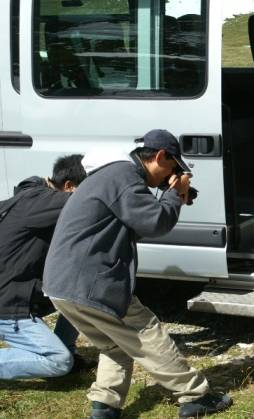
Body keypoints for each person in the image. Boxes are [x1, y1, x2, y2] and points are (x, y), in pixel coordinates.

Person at [43, 130, 232, 419]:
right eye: (172, 168)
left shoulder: (111, 176)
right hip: (92, 282)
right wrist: (173, 196)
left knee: (114, 344)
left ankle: (104, 407)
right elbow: (155, 222)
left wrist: (173, 196)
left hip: (61, 284)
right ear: (159, 157)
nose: (171, 175)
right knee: (145, 331)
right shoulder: (123, 175)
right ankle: (195, 396)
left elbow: (137, 222)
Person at [0, 154, 90, 379]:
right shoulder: (42, 201)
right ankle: (60, 356)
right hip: (8, 304)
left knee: (80, 292)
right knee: (57, 361)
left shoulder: (32, 196)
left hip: (22, 292)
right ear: (69, 187)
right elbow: (93, 202)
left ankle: (65, 348)